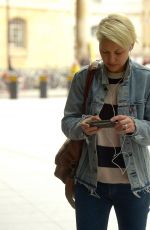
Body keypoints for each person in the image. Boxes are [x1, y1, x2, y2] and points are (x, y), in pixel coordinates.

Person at [61, 13, 150, 230]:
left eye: (118, 52)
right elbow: (67, 122)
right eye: (104, 51)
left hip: (134, 185)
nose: (111, 59)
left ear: (130, 45)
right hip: (90, 184)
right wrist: (81, 127)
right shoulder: (84, 77)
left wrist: (135, 126)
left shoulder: (146, 79)